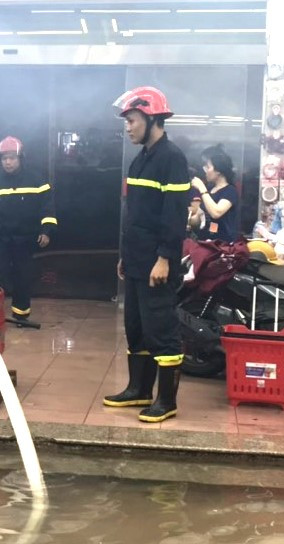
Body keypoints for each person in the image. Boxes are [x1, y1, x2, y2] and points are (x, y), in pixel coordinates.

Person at [103, 86, 189, 423]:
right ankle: (137, 389)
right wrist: (126, 255)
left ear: (152, 118)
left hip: (158, 262)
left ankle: (166, 400)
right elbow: (134, 216)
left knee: (161, 329)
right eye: (126, 121)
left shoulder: (172, 158)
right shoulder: (140, 160)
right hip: (138, 260)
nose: (128, 128)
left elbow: (175, 214)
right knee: (136, 328)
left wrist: (165, 257)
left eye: (132, 120)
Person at [0, 136, 56, 326]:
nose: (8, 162)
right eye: (4, 158)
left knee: (23, 274)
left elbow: (47, 208)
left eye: (12, 158)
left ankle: (21, 314)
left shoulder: (37, 180)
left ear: (21, 158)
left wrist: (46, 231)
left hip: (25, 237)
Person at [191, 145, 239, 243]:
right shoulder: (210, 190)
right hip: (205, 242)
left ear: (218, 171)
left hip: (223, 246)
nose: (205, 170)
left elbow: (216, 213)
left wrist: (201, 188)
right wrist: (189, 219)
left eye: (208, 167)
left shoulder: (230, 191)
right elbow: (200, 215)